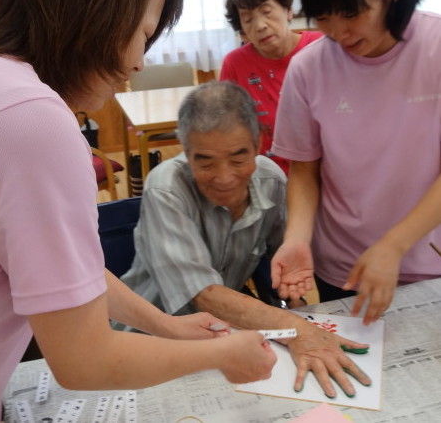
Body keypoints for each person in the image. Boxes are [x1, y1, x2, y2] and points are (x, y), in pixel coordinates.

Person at [0, 0, 277, 420]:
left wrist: (168, 325)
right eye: (143, 34)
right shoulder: (34, 120)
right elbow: (85, 359)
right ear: (97, 8)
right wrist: (222, 354)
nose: (139, 63)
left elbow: (66, 271)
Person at [121, 80, 372, 399]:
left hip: (226, 332)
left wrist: (291, 290)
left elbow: (282, 261)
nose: (225, 177)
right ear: (185, 152)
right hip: (149, 338)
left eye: (239, 159)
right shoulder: (166, 188)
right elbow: (203, 295)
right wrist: (297, 329)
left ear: (257, 145)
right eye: (205, 161)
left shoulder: (271, 180)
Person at [271, 0, 441, 326]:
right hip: (345, 269)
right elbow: (304, 171)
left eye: (351, 12)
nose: (338, 32)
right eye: (323, 16)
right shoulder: (308, 68)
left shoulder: (435, 49)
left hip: (431, 263)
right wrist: (296, 237)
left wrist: (393, 245)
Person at [219, 0, 322, 175]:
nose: (260, 26)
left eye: (267, 12)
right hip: (266, 177)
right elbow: (226, 126)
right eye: (248, 19)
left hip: (325, 171)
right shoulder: (235, 64)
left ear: (288, 10)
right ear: (242, 31)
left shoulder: (321, 48)